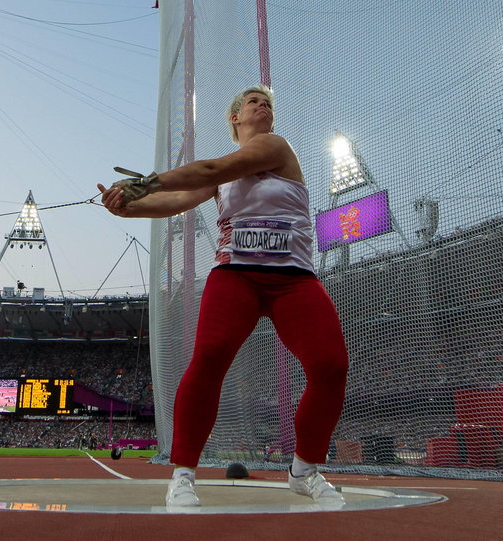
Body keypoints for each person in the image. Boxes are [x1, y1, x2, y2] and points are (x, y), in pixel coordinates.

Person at [98, 85, 348, 508]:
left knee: (331, 367)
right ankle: (182, 474)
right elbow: (178, 200)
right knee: (210, 356)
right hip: (236, 275)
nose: (262, 105)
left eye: (267, 101)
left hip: (293, 278)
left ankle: (304, 470)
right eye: (253, 101)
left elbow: (211, 168)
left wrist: (145, 182)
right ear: (235, 117)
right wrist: (127, 206)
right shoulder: (222, 178)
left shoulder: (275, 147)